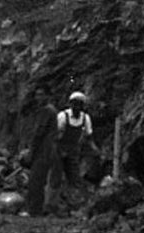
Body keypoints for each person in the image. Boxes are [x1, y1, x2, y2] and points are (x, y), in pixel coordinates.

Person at [47, 91, 95, 214]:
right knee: (56, 177)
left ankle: (74, 205)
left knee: (74, 177)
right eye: (74, 105)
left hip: (73, 150)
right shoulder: (63, 116)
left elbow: (88, 136)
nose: (76, 108)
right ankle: (50, 206)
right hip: (58, 149)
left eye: (79, 105)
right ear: (70, 104)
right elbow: (53, 134)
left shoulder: (85, 118)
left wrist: (94, 149)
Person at [25, 89, 60, 217]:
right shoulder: (47, 111)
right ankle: (36, 210)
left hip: (44, 150)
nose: (38, 98)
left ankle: (34, 211)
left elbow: (38, 133)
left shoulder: (47, 111)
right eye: (37, 95)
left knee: (35, 181)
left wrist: (31, 152)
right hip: (46, 150)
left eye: (41, 94)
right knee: (38, 180)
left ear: (47, 96)